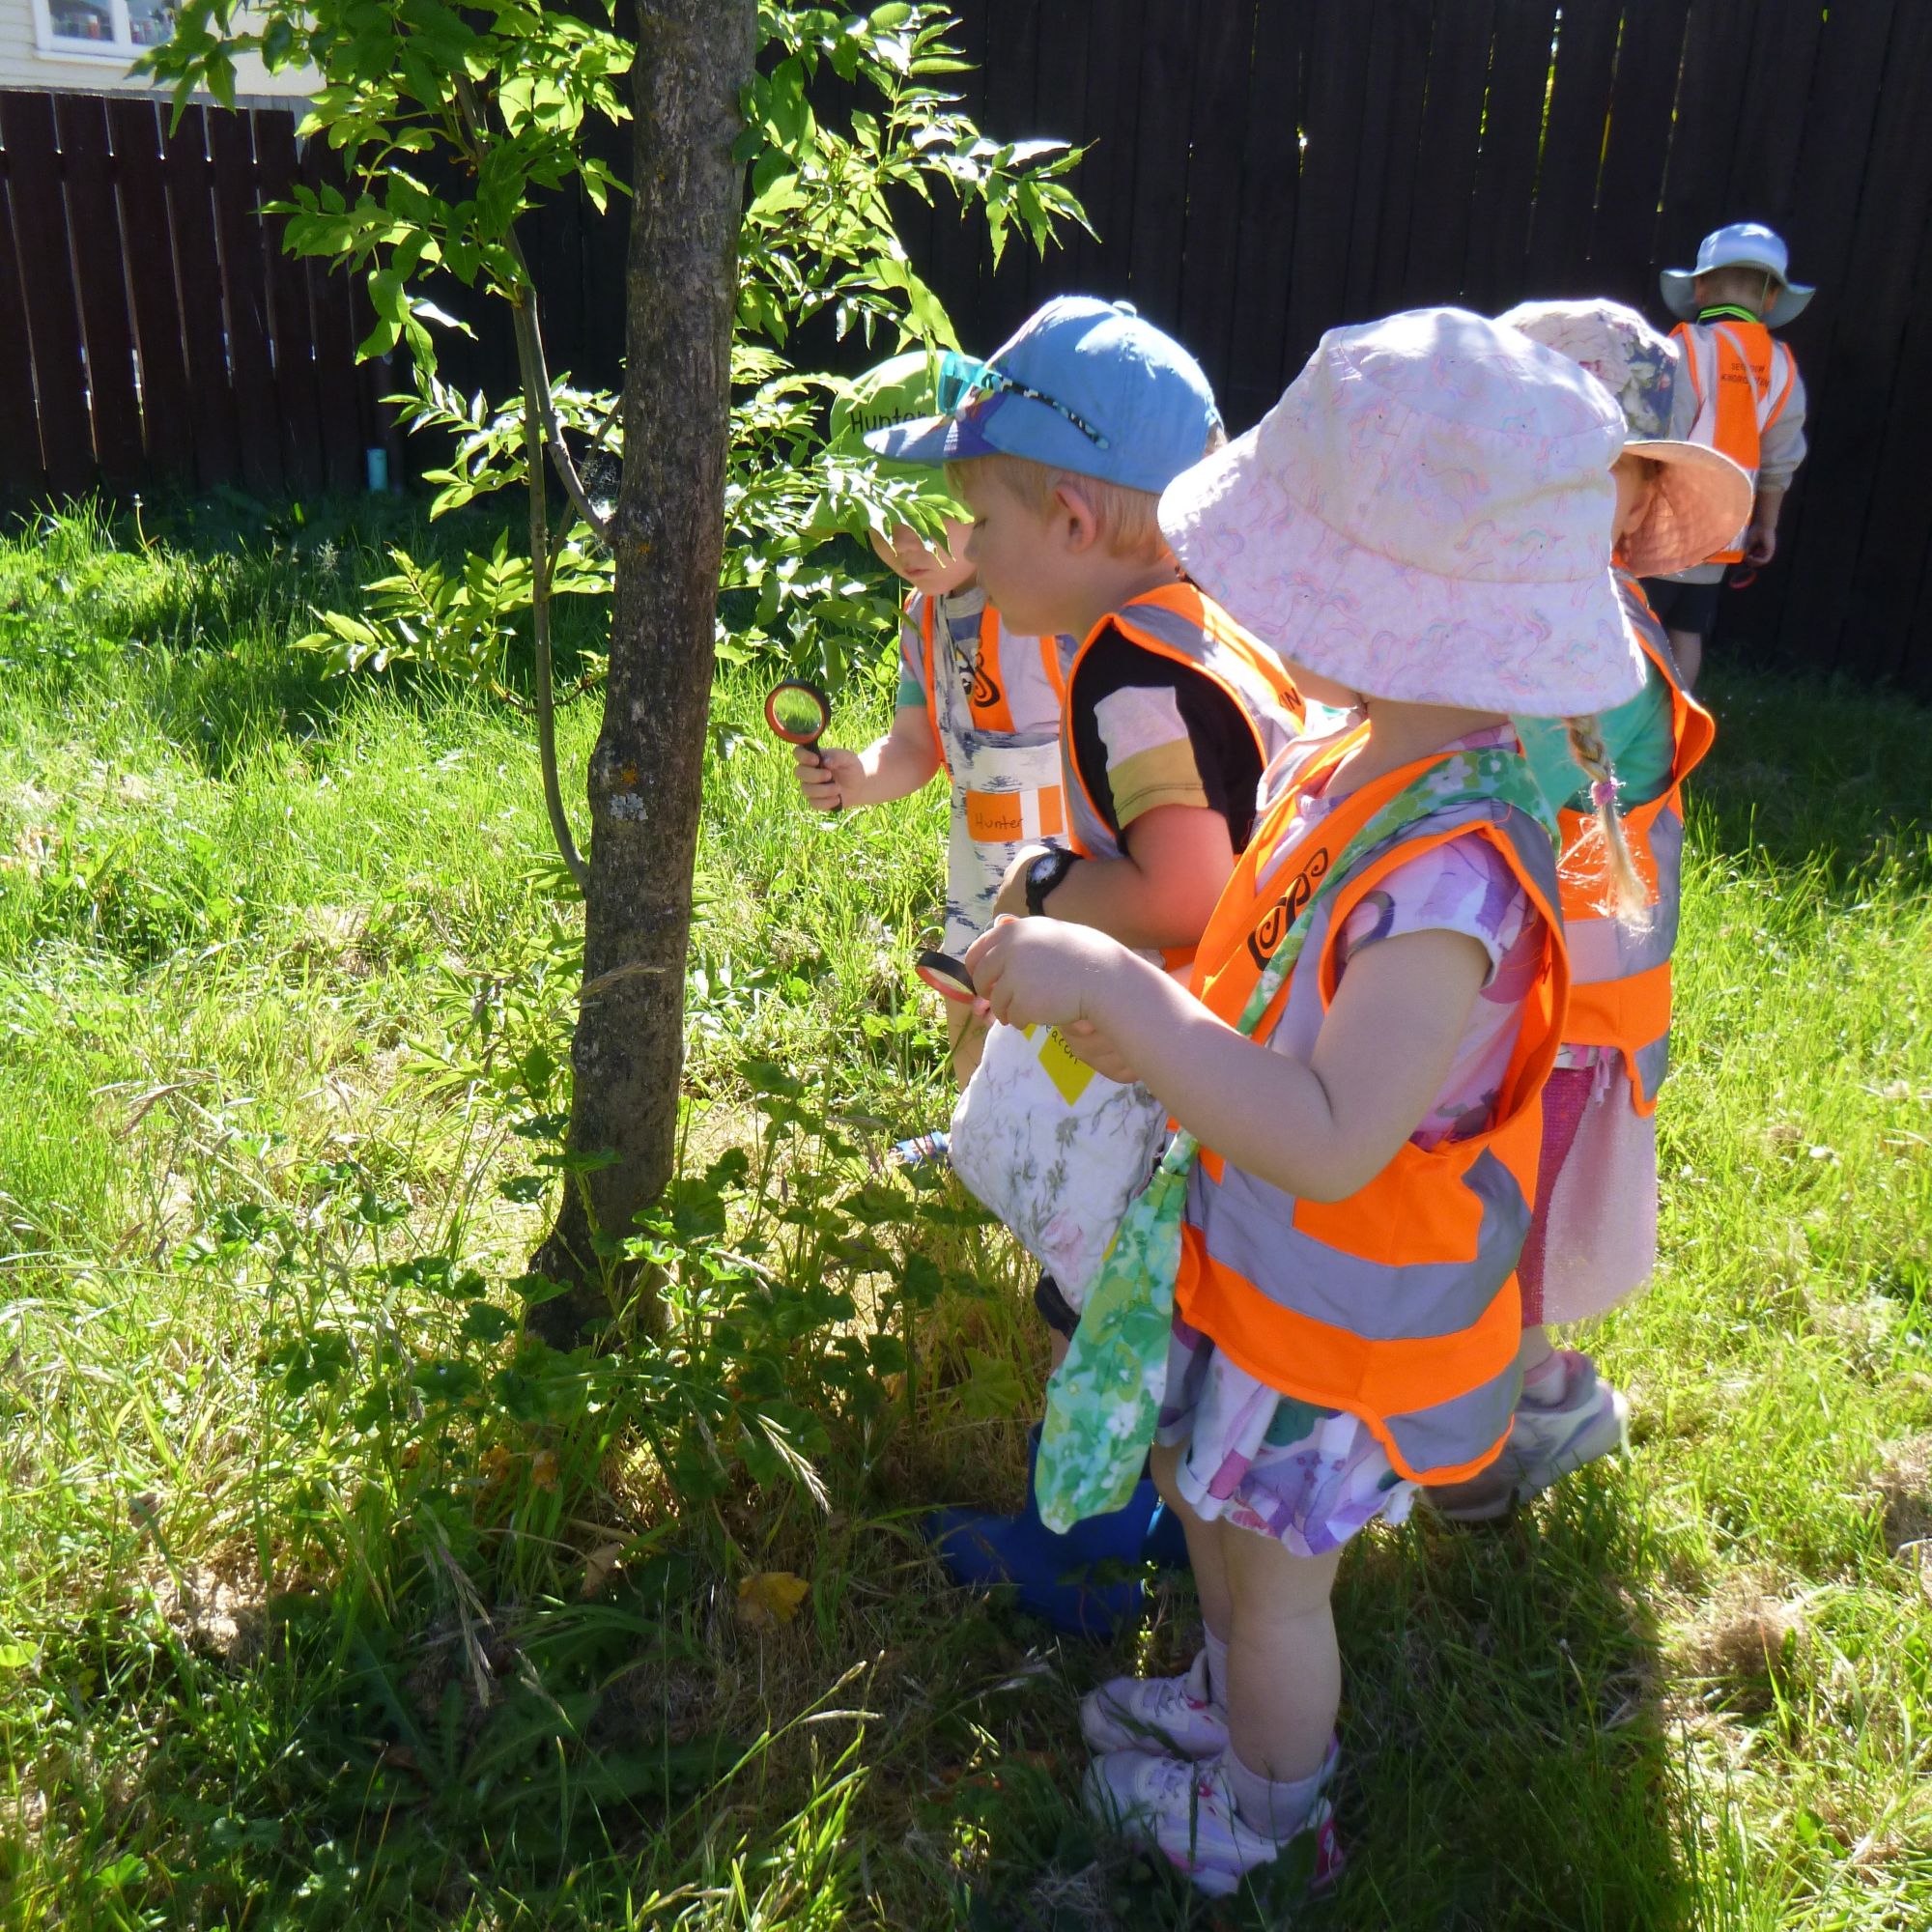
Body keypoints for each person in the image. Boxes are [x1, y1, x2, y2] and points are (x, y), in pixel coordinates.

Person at [965, 309, 1651, 1895]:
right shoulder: (1361, 761)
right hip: (1261, 1279)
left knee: (1275, 1584)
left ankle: (1275, 1808)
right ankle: (1226, 1704)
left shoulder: (1457, 885)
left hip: (1337, 1321)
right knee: (1218, 1531)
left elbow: (1341, 1134)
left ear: (1402, 617)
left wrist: (1128, 1002)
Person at [862, 297, 1303, 1631]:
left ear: (1070, 521)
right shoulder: (1209, 624)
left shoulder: (1126, 678)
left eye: (981, 524)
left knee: (1094, 1292)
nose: (968, 554)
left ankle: (1089, 1541)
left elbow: (1187, 889)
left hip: (1177, 1054)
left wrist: (1050, 889)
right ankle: (1166, 1512)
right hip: (1249, 1043)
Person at [1420, 300, 1754, 1522]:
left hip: (1560, 1019)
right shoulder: (1515, 613)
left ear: (1626, 496)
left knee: (1497, 1223)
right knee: (1474, 1211)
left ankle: (1499, 1424)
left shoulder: (1589, 641)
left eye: (1593, 469)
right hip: (1505, 996)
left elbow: (1506, 786)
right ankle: (1515, 1387)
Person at [794, 351, 1071, 1083]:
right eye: (883, 526)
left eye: (923, 516)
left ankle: (1065, 1165)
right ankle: (972, 1139)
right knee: (965, 990)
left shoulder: (1049, 602)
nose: (904, 546)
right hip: (976, 854)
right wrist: (858, 777)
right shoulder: (923, 617)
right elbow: (915, 747)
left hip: (1067, 857)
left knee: (1066, 1028)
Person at [1643, 222, 1812, 687]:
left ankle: (1623, 738)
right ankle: (1677, 738)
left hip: (1657, 530)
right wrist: (1766, 525)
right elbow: (1781, 461)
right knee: (1686, 632)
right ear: (1773, 299)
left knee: (1636, 631)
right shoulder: (1782, 367)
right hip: (1724, 532)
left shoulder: (1682, 349)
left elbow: (1660, 441)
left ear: (1699, 287)